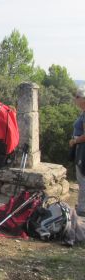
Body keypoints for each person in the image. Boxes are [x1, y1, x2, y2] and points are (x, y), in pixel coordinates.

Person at [69, 87, 85, 217]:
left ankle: (82, 209)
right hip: (81, 148)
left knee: (82, 178)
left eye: (77, 97)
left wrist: (75, 141)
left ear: (83, 99)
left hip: (83, 150)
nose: (75, 99)